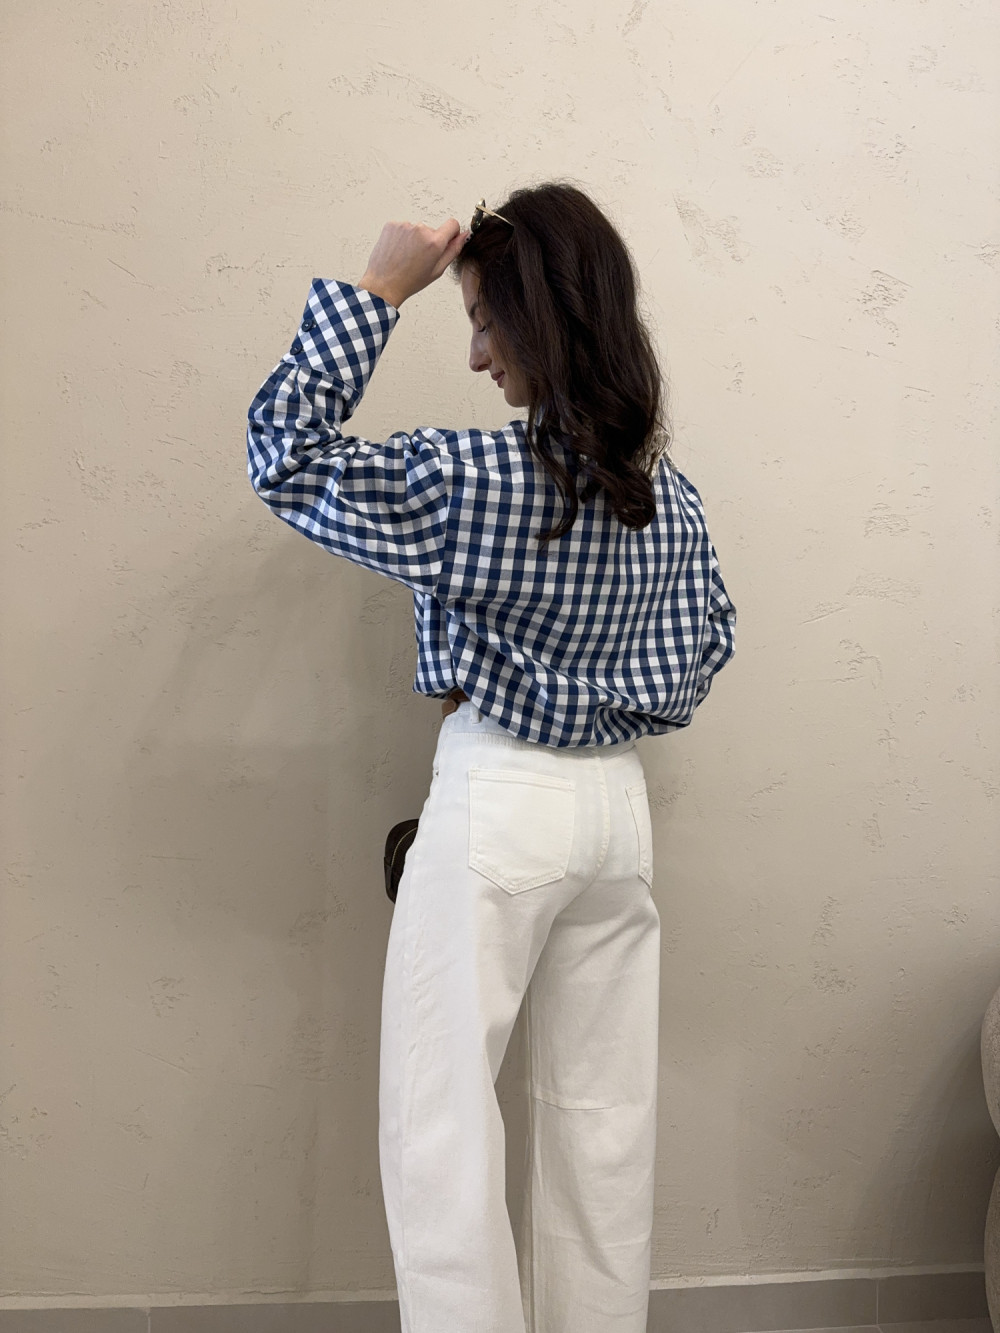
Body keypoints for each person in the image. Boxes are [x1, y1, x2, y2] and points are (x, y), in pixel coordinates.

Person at [246, 181, 736, 1333]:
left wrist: (379, 289)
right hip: (616, 823)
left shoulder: (472, 477)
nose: (474, 356)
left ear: (538, 322)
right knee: (602, 1121)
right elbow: (710, 638)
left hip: (501, 798)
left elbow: (286, 458)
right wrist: (601, 694)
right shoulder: (668, 497)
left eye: (481, 321)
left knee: (443, 1120)